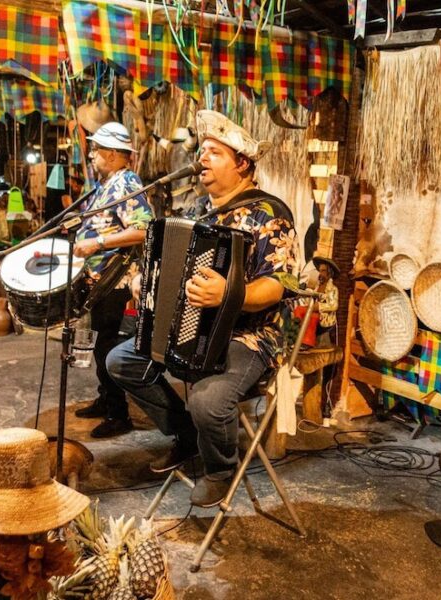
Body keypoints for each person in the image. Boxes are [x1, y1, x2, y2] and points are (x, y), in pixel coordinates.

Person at [106, 110, 299, 507]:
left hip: (249, 335)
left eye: (214, 152)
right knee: (121, 362)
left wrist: (229, 294)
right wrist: (145, 282)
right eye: (202, 151)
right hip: (190, 325)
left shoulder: (270, 214)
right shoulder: (196, 211)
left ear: (241, 164)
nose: (202, 159)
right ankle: (186, 434)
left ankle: (220, 469)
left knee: (208, 401)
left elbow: (278, 285)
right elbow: (165, 260)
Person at [71, 122, 153, 439]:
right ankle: (106, 399)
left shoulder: (127, 182)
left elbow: (143, 230)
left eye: (97, 150)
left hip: (116, 278)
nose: (92, 155)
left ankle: (118, 414)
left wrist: (97, 243)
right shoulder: (108, 183)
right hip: (101, 280)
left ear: (114, 155)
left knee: (108, 346)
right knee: (101, 343)